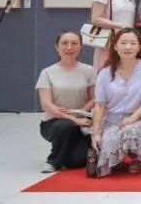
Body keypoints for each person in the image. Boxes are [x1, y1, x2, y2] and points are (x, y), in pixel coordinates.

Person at [91, 28, 141, 177]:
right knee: (107, 153)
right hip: (112, 122)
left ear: (139, 47)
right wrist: (96, 134)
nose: (128, 47)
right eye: (123, 43)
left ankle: (137, 158)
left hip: (138, 119)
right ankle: (117, 159)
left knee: (131, 130)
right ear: (115, 46)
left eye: (133, 43)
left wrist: (133, 118)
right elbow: (99, 105)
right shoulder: (104, 73)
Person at [36, 30, 96, 173]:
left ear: (80, 46)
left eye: (74, 43)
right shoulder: (47, 72)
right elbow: (46, 105)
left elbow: (95, 98)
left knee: (77, 162)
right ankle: (53, 161)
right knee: (65, 126)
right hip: (54, 122)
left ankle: (67, 152)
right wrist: (73, 119)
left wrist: (80, 114)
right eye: (64, 43)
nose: (69, 47)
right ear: (57, 47)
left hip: (81, 121)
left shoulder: (89, 70)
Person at [90, 0, 136, 71]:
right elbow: (95, 19)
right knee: (108, 74)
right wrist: (120, 25)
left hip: (127, 44)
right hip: (108, 43)